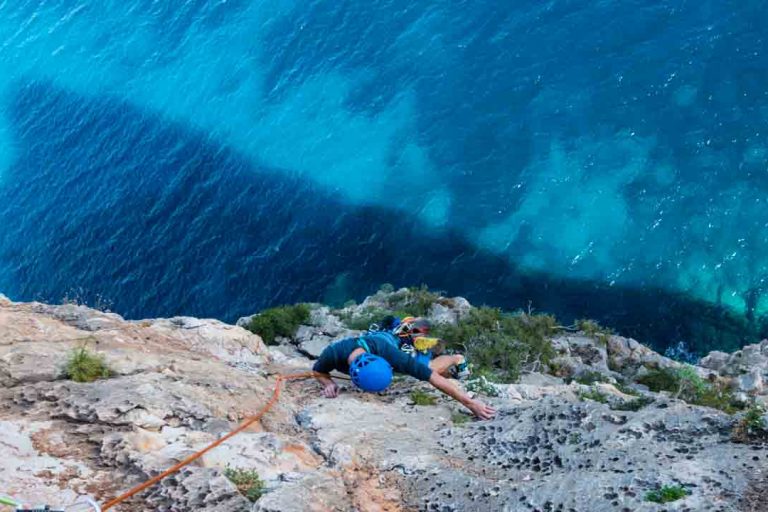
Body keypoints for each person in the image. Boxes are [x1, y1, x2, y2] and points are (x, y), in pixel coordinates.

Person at [312, 317, 496, 420]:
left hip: (394, 343)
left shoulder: (389, 353)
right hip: (383, 337)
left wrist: (470, 403)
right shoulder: (332, 354)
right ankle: (408, 328)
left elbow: (431, 376)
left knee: (427, 366)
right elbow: (318, 371)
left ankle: (456, 358)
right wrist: (328, 383)